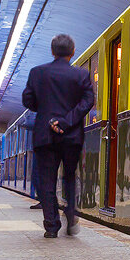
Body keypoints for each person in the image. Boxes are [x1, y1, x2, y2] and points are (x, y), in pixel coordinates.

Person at [22, 34, 94, 238]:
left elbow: (27, 100)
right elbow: (87, 102)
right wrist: (65, 121)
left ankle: (51, 225)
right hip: (71, 136)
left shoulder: (37, 73)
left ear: (52, 51)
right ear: (72, 52)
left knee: (46, 180)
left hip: (45, 135)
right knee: (70, 177)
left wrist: (48, 115)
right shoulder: (81, 75)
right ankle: (71, 215)